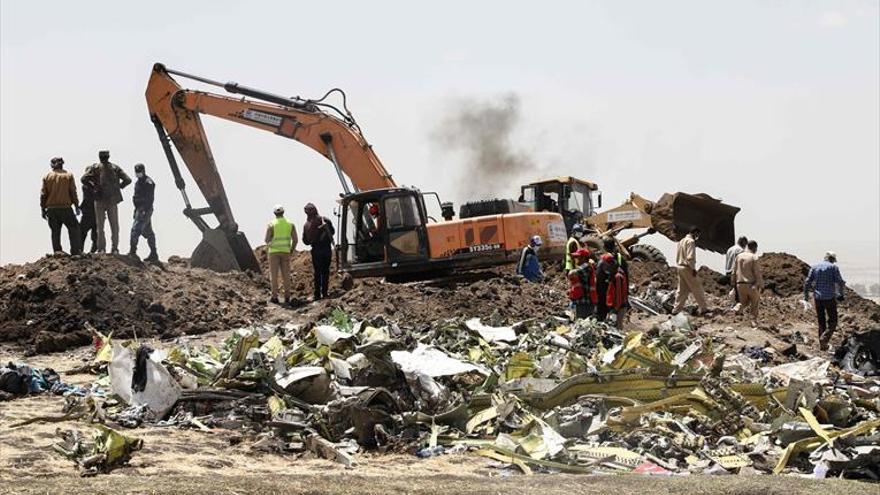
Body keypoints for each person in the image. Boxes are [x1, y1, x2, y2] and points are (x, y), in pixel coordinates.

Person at [82, 150, 131, 254]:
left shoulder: (94, 167)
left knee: (100, 226)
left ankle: (101, 249)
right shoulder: (115, 167)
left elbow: (83, 179)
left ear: (99, 157)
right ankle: (115, 249)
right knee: (114, 226)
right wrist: (119, 187)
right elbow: (128, 180)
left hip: (99, 199)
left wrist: (93, 187)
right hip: (112, 200)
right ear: (108, 156)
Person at [804, 252, 847, 351]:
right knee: (833, 320)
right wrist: (840, 294)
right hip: (829, 298)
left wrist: (806, 296)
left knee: (821, 321)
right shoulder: (833, 268)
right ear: (832, 259)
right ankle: (825, 338)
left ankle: (822, 345)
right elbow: (840, 282)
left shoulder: (815, 267)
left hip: (818, 298)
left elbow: (807, 282)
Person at [40, 157, 82, 255]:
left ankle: (57, 251)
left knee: (55, 231)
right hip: (65, 208)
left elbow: (43, 194)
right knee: (74, 228)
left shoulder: (47, 177)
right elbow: (73, 192)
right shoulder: (68, 175)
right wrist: (76, 205)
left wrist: (42, 209)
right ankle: (75, 252)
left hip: (51, 209)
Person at [671, 227, 709, 315]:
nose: (698, 236)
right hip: (687, 267)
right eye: (698, 234)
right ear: (695, 233)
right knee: (697, 288)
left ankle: (676, 310)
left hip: (679, 267)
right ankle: (703, 308)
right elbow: (690, 257)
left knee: (682, 290)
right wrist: (693, 269)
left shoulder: (681, 241)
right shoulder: (691, 241)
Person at [264, 205, 298, 305]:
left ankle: (274, 297)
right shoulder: (290, 224)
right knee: (286, 274)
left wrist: (271, 244)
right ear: (283, 212)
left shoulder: (271, 224)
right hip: (286, 252)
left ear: (275, 214)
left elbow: (266, 240)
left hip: (273, 252)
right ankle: (287, 296)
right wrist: (291, 250)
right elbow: (295, 240)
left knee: (274, 275)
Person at [302, 203, 335, 301]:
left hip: (316, 250)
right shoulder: (325, 220)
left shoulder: (306, 225)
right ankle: (324, 293)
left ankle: (317, 294)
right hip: (326, 249)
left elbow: (305, 241)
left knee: (317, 272)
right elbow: (332, 232)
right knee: (325, 271)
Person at [596, 237, 629, 328]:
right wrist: (625, 295)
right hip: (617, 292)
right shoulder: (620, 258)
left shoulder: (602, 260)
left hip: (605, 293)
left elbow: (599, 279)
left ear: (604, 247)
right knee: (615, 320)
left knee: (602, 319)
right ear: (614, 246)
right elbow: (626, 277)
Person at [128, 164, 158, 262]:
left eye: (139, 171)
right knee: (148, 232)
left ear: (143, 171)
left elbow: (150, 199)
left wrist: (144, 210)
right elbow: (136, 197)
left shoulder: (148, 182)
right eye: (137, 172)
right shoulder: (138, 182)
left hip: (145, 209)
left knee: (135, 230)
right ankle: (154, 254)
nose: (138, 174)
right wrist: (135, 210)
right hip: (139, 209)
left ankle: (132, 252)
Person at [732, 240, 763, 326]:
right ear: (754, 247)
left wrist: (733, 283)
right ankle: (753, 321)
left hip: (739, 284)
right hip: (751, 284)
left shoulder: (738, 256)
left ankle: (737, 308)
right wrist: (760, 284)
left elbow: (734, 271)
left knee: (744, 302)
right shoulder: (754, 257)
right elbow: (757, 272)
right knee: (754, 302)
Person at [567, 248, 596, 320]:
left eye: (578, 257)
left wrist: (572, 266)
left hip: (585, 303)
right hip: (581, 302)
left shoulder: (586, 266)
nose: (576, 259)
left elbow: (571, 274)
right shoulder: (584, 266)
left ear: (583, 258)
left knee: (583, 324)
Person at [79, 178, 98, 253]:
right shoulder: (87, 186)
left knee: (84, 233)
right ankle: (82, 250)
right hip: (92, 212)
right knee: (83, 233)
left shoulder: (87, 186)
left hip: (89, 213)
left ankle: (90, 251)